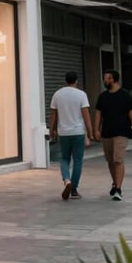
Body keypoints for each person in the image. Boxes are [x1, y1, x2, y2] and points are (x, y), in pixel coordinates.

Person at [94, 69, 132, 201]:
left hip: (122, 132)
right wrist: (96, 129)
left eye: (108, 78)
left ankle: (119, 189)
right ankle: (115, 183)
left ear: (114, 79)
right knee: (110, 161)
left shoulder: (125, 95)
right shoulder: (103, 96)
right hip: (107, 132)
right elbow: (98, 113)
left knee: (118, 160)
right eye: (105, 78)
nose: (105, 80)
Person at [49, 71, 93, 200]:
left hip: (63, 132)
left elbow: (53, 114)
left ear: (65, 80)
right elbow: (86, 114)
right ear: (76, 81)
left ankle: (67, 180)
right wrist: (90, 132)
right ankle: (74, 190)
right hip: (78, 132)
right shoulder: (81, 95)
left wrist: (51, 129)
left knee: (64, 158)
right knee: (78, 160)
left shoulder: (57, 94)